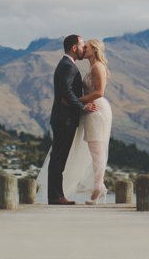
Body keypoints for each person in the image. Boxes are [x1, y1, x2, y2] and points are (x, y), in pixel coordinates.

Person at [45, 34, 97, 205]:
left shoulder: (67, 64)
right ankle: (56, 196)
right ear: (74, 48)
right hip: (64, 119)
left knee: (59, 158)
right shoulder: (67, 66)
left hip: (64, 118)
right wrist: (82, 107)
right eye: (82, 46)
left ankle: (56, 195)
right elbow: (66, 92)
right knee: (58, 159)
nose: (83, 49)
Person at [79, 39, 112, 204]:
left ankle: (97, 188)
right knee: (95, 150)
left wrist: (78, 100)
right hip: (93, 109)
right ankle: (100, 186)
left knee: (97, 150)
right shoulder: (93, 66)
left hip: (96, 109)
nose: (83, 49)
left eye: (86, 47)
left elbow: (99, 92)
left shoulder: (98, 66)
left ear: (94, 48)